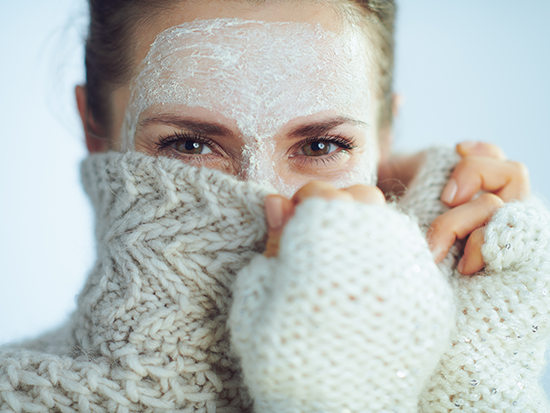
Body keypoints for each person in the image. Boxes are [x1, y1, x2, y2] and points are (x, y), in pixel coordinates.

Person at [0, 1, 548, 412]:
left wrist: (470, 365)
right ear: (95, 128)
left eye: (321, 146)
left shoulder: (469, 343)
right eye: (190, 145)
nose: (270, 199)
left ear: (383, 142)